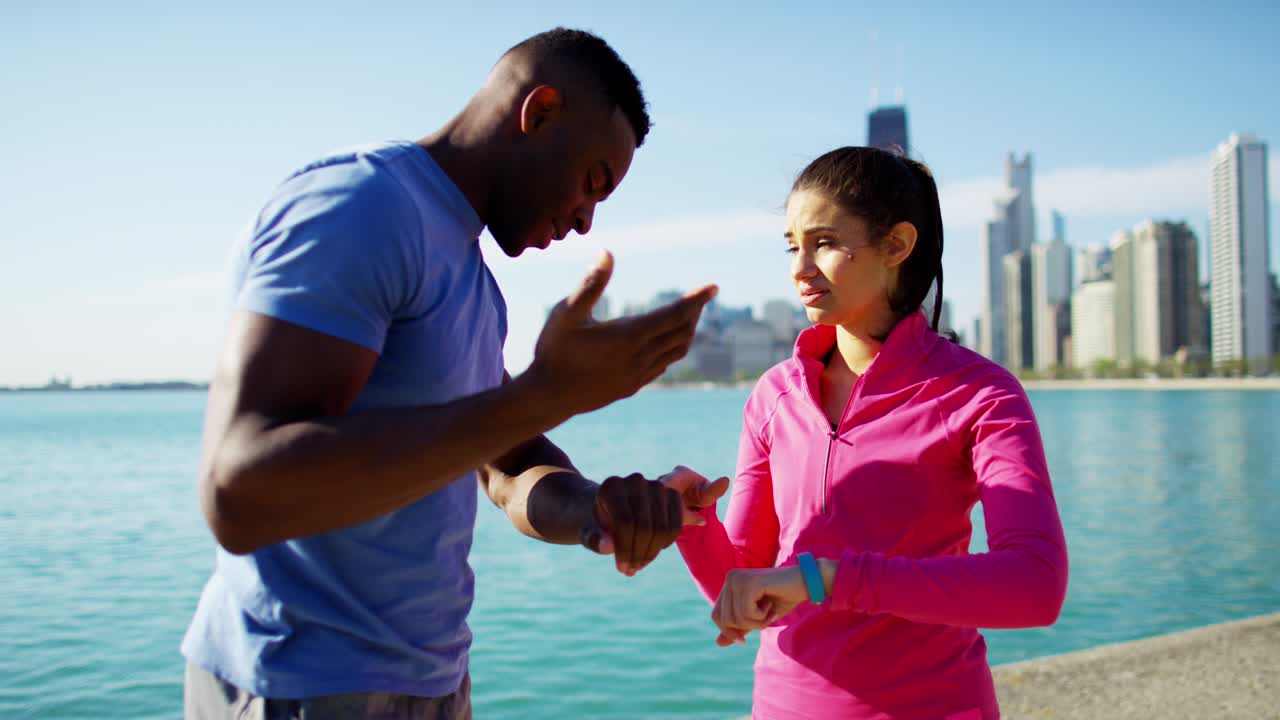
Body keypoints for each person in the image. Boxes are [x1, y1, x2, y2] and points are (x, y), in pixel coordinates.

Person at [182, 28, 725, 720]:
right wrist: (544, 394)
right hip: (302, 687)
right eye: (593, 182)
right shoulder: (364, 208)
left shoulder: (469, 278)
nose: (587, 221)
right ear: (540, 111)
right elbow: (242, 495)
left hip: (432, 685)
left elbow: (504, 464)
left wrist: (597, 508)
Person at [672, 147, 1069, 719]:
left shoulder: (982, 395)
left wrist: (830, 577)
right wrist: (694, 523)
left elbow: (1035, 584)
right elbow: (745, 593)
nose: (799, 268)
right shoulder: (774, 396)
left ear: (897, 246)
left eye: (825, 243)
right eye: (792, 245)